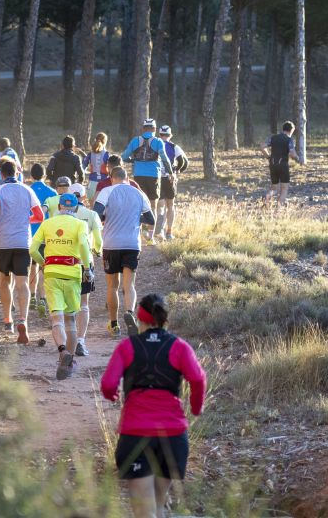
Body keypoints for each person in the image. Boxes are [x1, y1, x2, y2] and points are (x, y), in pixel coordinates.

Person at [100, 294, 206, 518]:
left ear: (140, 319)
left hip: (136, 434)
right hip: (172, 435)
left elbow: (108, 383)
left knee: (143, 512)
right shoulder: (179, 347)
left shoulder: (127, 347)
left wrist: (112, 395)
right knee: (158, 506)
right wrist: (196, 409)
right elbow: (197, 379)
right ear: (165, 319)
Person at [30, 193, 93, 380]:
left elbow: (32, 249)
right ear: (74, 208)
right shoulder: (80, 224)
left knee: (56, 318)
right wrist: (86, 267)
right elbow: (83, 244)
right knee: (71, 319)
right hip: (72, 273)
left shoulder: (47, 223)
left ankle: (62, 352)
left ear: (58, 206)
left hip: (51, 273)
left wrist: (42, 263)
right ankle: (70, 361)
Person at [0, 159, 44, 342]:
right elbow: (39, 215)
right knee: (22, 283)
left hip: (3, 242)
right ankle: (23, 319)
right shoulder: (27, 189)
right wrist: (25, 220)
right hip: (23, 242)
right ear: (17, 173)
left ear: (1, 174)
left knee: (5, 281)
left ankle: (7, 319)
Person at [94, 166, 155, 338]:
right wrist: (134, 217)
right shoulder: (138, 193)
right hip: (132, 244)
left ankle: (114, 324)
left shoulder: (107, 191)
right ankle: (129, 312)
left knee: (112, 286)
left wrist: (108, 217)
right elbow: (151, 219)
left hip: (111, 244)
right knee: (129, 285)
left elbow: (96, 213)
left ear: (112, 178)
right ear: (127, 179)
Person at [121, 119, 175, 241]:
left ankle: (138, 234)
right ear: (155, 129)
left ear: (143, 128)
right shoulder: (157, 141)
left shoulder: (135, 141)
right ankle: (150, 237)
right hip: (154, 177)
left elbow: (124, 156)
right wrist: (170, 173)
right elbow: (164, 158)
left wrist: (134, 160)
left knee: (138, 205)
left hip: (138, 176)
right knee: (153, 206)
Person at [68, 182, 103, 356]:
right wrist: (97, 251)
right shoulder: (91, 214)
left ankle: (69, 339)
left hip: (64, 262)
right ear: (83, 197)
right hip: (84, 262)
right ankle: (81, 340)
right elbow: (98, 240)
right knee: (84, 303)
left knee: (67, 302)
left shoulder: (60, 215)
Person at [28, 163, 57, 317]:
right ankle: (43, 298)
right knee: (45, 266)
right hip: (46, 235)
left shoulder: (27, 191)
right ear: (44, 175)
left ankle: (32, 296)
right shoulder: (52, 192)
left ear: (31, 176)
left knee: (32, 267)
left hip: (29, 235)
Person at [155, 125, 188, 241]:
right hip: (170, 178)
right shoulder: (174, 146)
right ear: (170, 135)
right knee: (171, 205)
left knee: (160, 206)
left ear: (159, 135)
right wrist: (177, 170)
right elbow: (184, 161)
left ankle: (160, 232)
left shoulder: (155, 144)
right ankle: (169, 232)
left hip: (158, 178)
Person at [260, 120, 302, 206]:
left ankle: (267, 197)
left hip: (272, 164)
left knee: (275, 188)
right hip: (283, 165)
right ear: (291, 130)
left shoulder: (273, 138)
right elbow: (292, 154)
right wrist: (297, 158)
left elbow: (262, 146)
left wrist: (268, 157)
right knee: (284, 189)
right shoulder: (289, 139)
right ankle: (279, 209)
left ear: (283, 129)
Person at [85, 132, 111, 203]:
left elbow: (83, 165)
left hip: (92, 183)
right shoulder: (107, 154)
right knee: (103, 206)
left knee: (92, 206)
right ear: (105, 142)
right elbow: (112, 169)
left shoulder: (90, 154)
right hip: (104, 183)